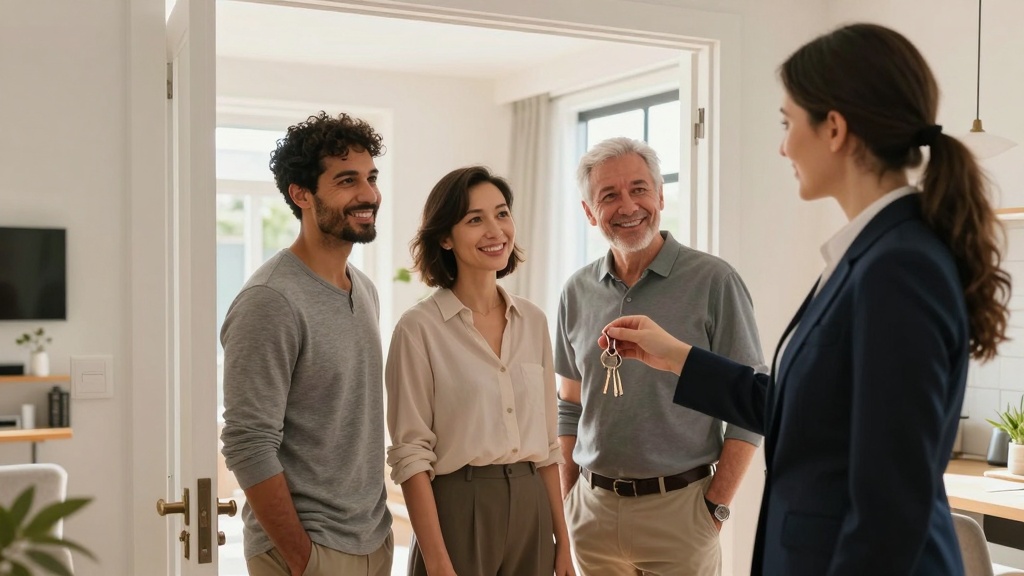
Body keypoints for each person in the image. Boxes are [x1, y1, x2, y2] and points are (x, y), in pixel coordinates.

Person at [600, 23, 1012, 576]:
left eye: (788, 123)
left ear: (834, 128)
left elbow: (891, 501)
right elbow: (805, 410)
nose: (783, 145)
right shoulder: (870, 253)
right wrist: (676, 356)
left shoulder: (898, 267)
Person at [555, 137, 766, 576]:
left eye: (639, 189)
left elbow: (750, 410)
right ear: (589, 212)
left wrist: (715, 509)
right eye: (609, 196)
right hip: (591, 516)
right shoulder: (576, 291)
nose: (628, 206)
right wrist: (570, 498)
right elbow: (569, 406)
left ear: (661, 196)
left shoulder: (714, 281)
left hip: (681, 514)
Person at [220, 111, 393, 576]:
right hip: (308, 550)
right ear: (302, 195)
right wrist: (303, 558)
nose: (368, 194)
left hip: (372, 540)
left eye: (371, 178)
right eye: (347, 180)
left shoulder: (364, 288)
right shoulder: (270, 300)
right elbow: (247, 443)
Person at [386, 166, 574, 576]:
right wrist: (437, 562)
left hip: (532, 509)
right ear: (445, 237)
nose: (495, 230)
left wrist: (563, 544)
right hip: (458, 508)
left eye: (501, 213)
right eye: (475, 219)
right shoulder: (419, 329)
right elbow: (411, 455)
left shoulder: (534, 321)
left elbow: (547, 446)